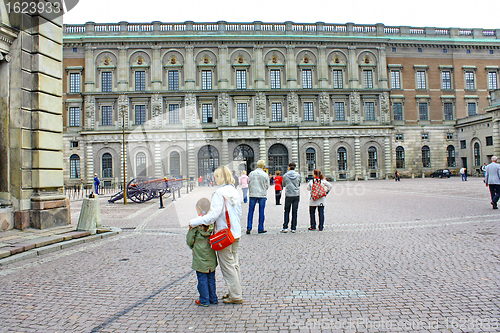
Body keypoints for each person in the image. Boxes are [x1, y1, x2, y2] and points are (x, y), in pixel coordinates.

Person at [190, 166, 243, 304]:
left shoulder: (219, 193)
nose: (215, 178)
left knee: (227, 266)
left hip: (224, 235)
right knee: (234, 264)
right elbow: (239, 213)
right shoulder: (234, 191)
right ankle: (235, 291)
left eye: (216, 176)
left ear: (221, 177)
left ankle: (236, 296)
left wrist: (194, 222)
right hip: (235, 233)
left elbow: (212, 216)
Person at [186, 198, 218, 307]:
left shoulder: (195, 223)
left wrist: (193, 247)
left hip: (199, 253)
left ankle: (204, 299)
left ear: (198, 209)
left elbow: (189, 240)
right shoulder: (212, 222)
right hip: (211, 252)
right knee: (211, 277)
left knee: (202, 278)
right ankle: (213, 297)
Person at [246, 160, 269, 234]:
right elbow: (267, 185)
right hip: (262, 194)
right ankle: (260, 228)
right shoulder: (265, 174)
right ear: (263, 166)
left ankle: (249, 227)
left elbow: (248, 183)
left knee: (250, 211)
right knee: (261, 212)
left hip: (252, 194)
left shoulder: (251, 173)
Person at [281, 162, 301, 233]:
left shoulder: (285, 175)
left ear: (289, 167)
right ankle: (293, 228)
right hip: (296, 195)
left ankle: (285, 227)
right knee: (295, 211)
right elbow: (299, 184)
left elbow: (283, 185)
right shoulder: (298, 175)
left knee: (286, 211)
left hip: (288, 195)